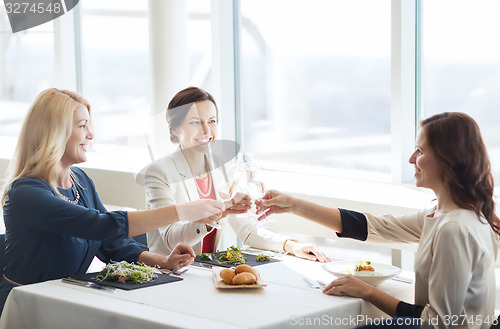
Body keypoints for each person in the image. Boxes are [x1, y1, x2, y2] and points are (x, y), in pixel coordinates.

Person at [256, 112, 499, 329]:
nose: (411, 159)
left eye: (421, 151)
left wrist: (367, 291)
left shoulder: (454, 228)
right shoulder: (443, 215)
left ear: (449, 160)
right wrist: (294, 205)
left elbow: (437, 323)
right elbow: (371, 226)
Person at [0, 88, 224, 314]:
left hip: (66, 299)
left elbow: (111, 242)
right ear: (54, 132)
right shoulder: (26, 193)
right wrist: (183, 211)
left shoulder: (80, 181)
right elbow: (100, 225)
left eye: (89, 125)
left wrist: (163, 261)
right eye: (81, 126)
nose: (91, 135)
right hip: (26, 305)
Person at [141, 86, 328, 262]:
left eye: (212, 121)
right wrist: (216, 214)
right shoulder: (159, 173)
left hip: (208, 272)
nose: (206, 131)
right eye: (195, 122)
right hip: (168, 276)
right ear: (175, 129)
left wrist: (291, 246)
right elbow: (171, 240)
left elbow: (247, 230)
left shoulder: (223, 167)